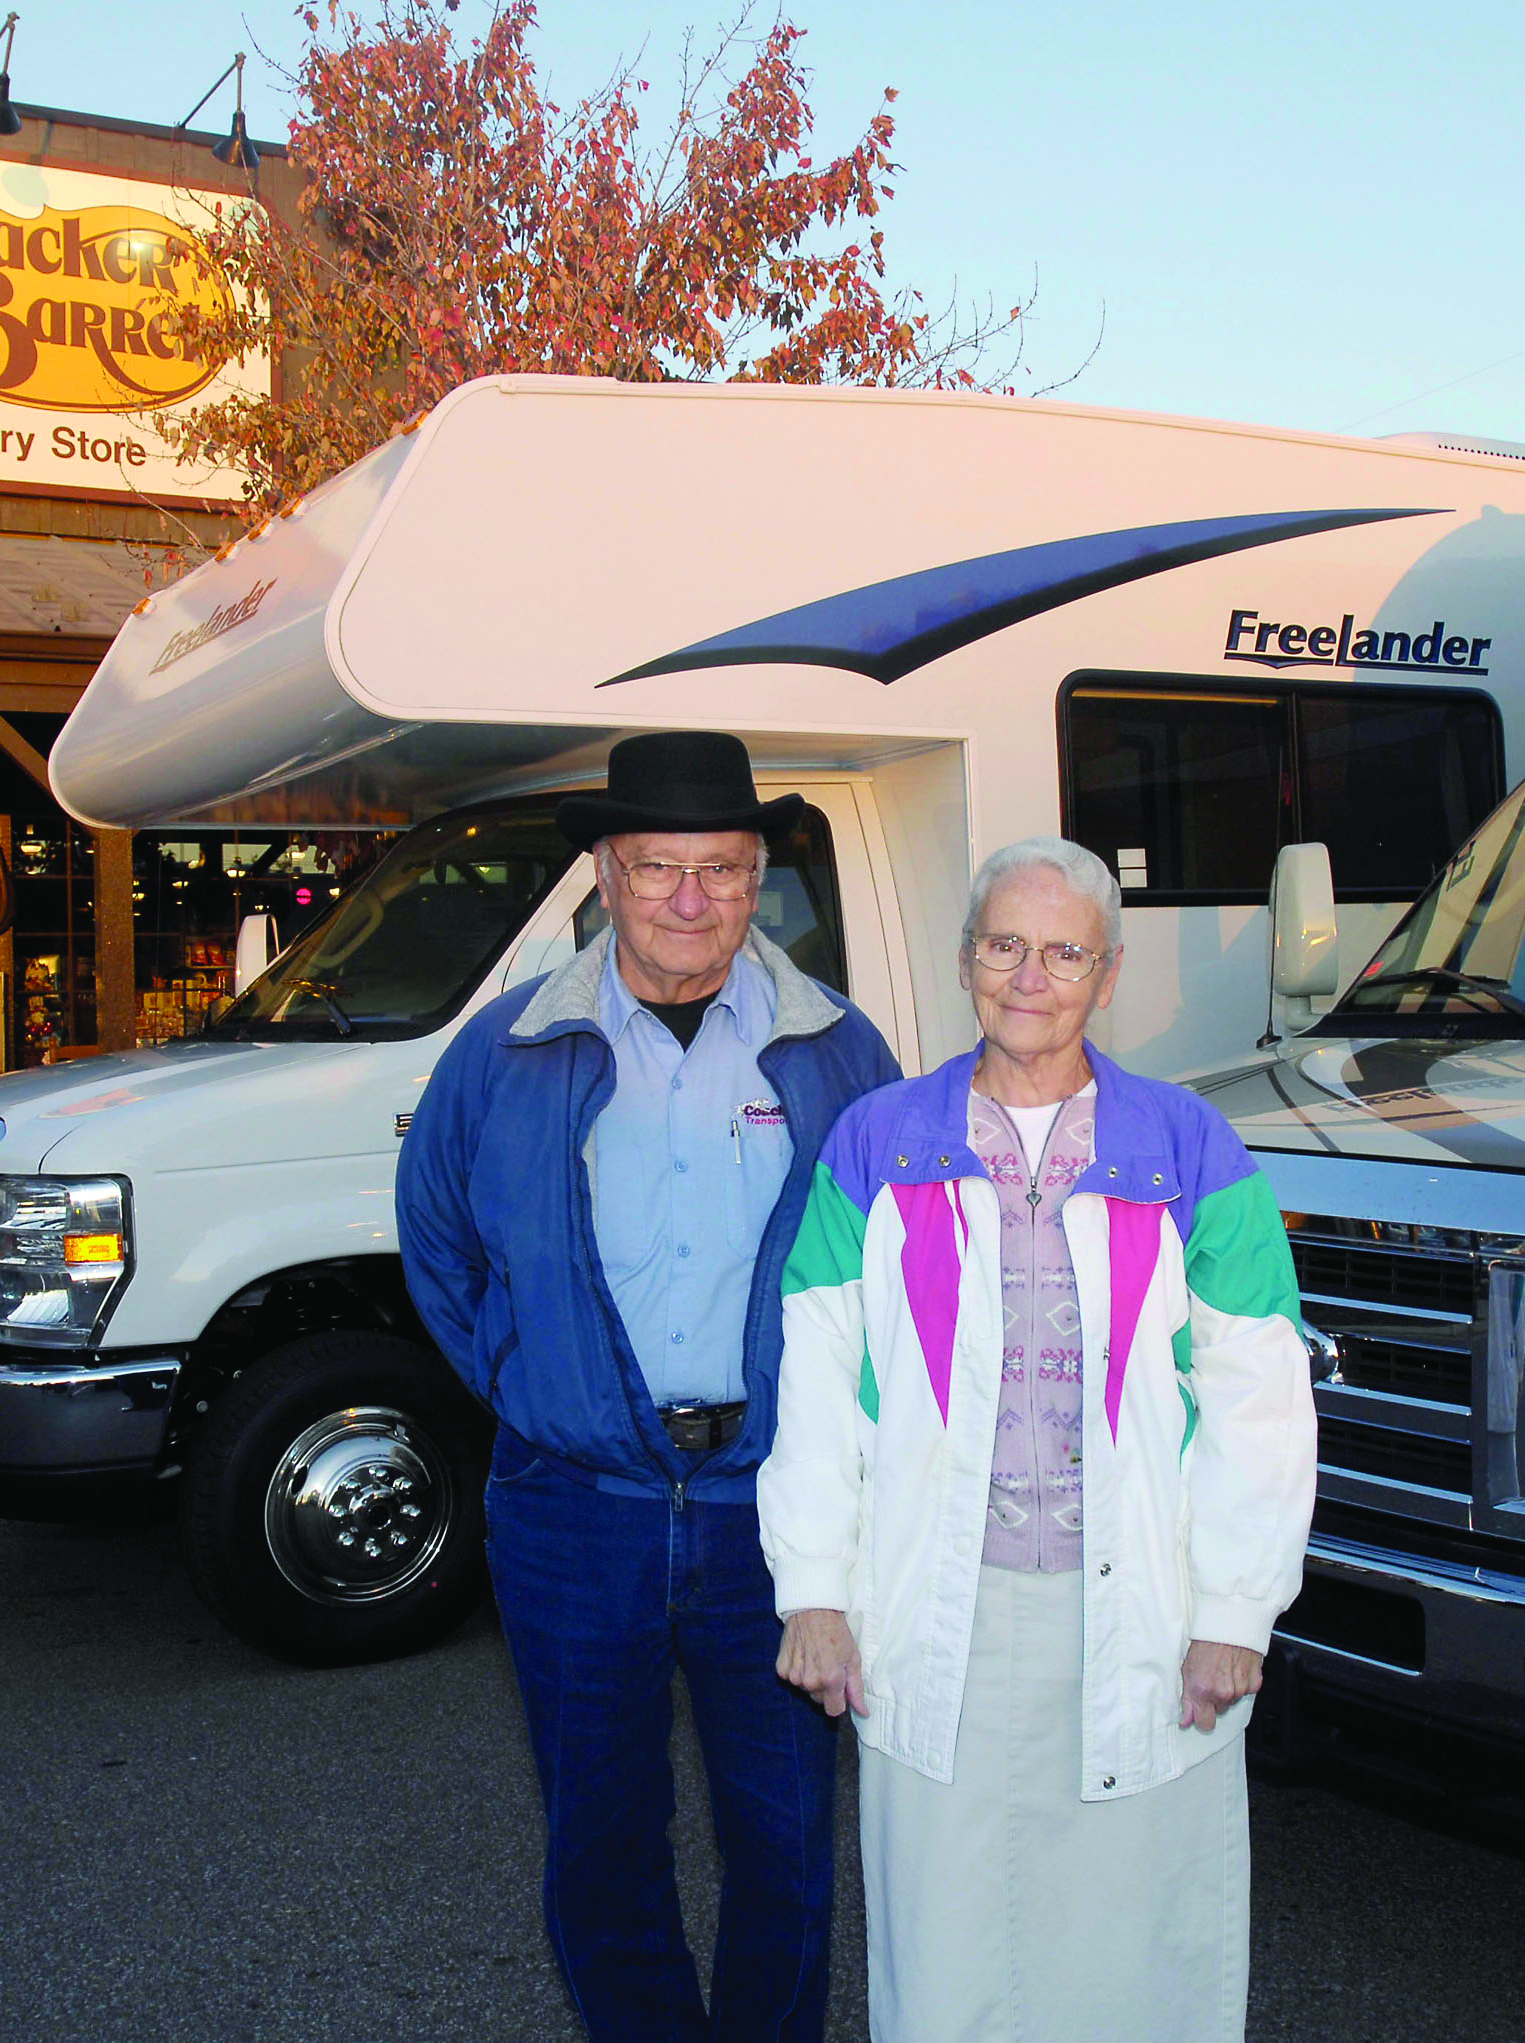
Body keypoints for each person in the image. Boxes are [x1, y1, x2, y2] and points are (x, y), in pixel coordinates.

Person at [761, 835, 1317, 2042]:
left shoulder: (1188, 1148)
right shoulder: (876, 1140)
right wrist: (813, 1591)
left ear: (1106, 975)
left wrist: (1236, 1611)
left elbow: (1259, 1395)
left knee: (1133, 1942)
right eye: (1005, 944)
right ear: (966, 961)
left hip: (1137, 1608)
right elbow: (813, 1381)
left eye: (1064, 950)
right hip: (937, 1600)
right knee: (950, 1939)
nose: (1031, 975)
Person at [396, 731, 903, 2043]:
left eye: (721, 869)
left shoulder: (839, 1052)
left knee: (788, 1844)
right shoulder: (504, 1052)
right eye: (659, 867)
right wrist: (525, 1381)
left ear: (758, 881)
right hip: (574, 1508)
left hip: (773, 1513)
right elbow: (438, 1236)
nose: (691, 898)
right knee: (601, 1843)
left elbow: (907, 1261)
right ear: (608, 875)